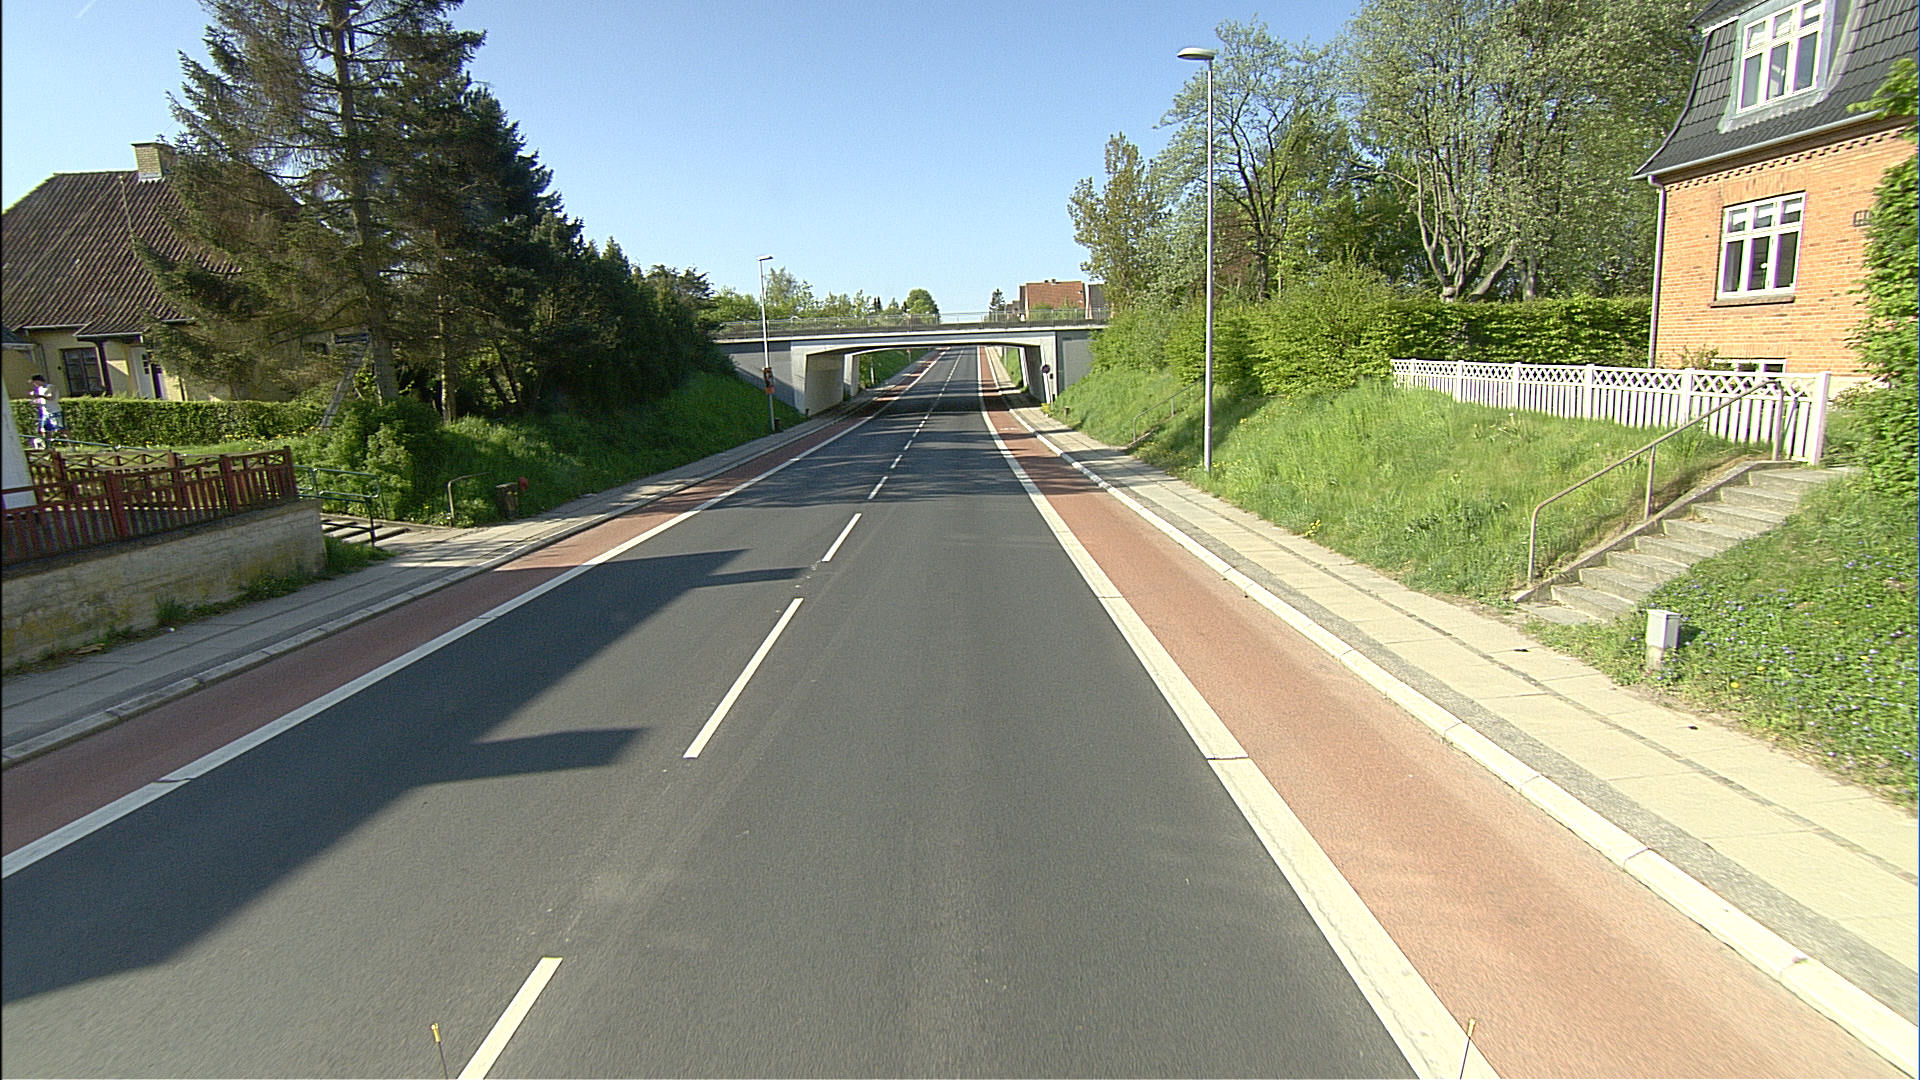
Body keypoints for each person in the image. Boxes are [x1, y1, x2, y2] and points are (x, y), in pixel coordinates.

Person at [28, 374, 62, 449]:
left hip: (55, 411)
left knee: (61, 430)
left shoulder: (50, 387)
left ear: (38, 381)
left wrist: (40, 396)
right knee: (45, 430)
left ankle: (72, 446)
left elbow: (51, 397)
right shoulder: (39, 389)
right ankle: (48, 446)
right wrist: (34, 401)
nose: (34, 384)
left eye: (34, 382)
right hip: (45, 413)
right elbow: (41, 400)